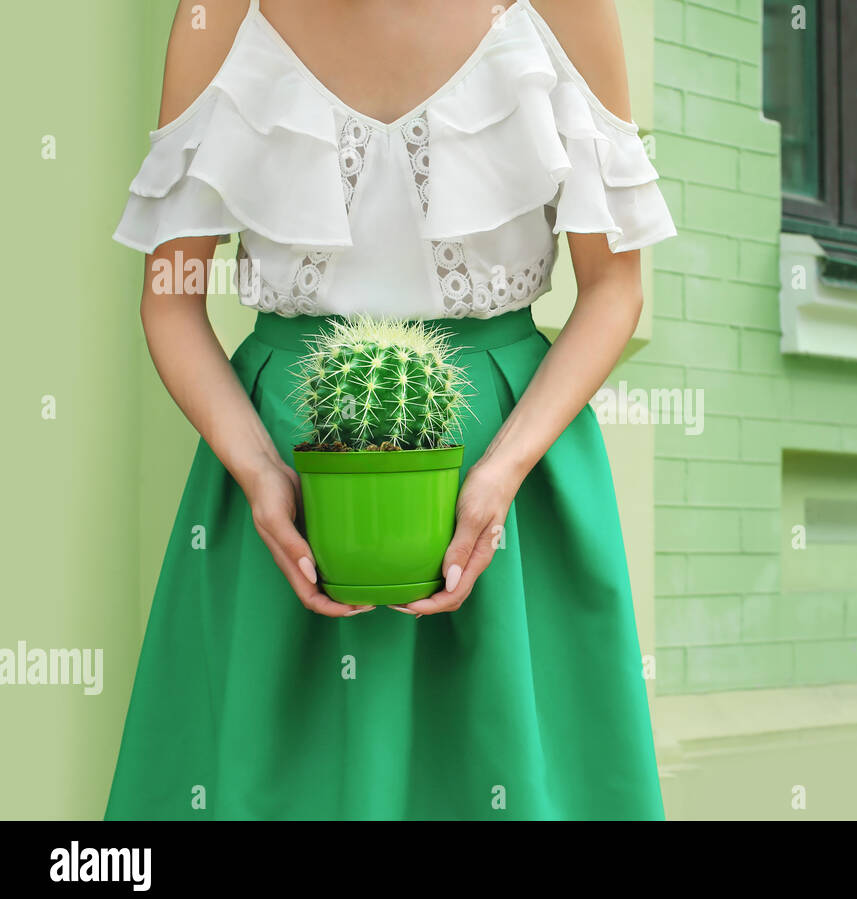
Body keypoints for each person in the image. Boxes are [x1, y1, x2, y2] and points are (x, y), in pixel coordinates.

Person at [107, 0, 675, 820]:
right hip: (281, 484)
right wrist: (260, 470)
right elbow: (168, 300)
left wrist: (504, 467)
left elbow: (616, 287)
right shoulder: (217, 15)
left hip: (510, 493)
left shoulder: (564, 8)